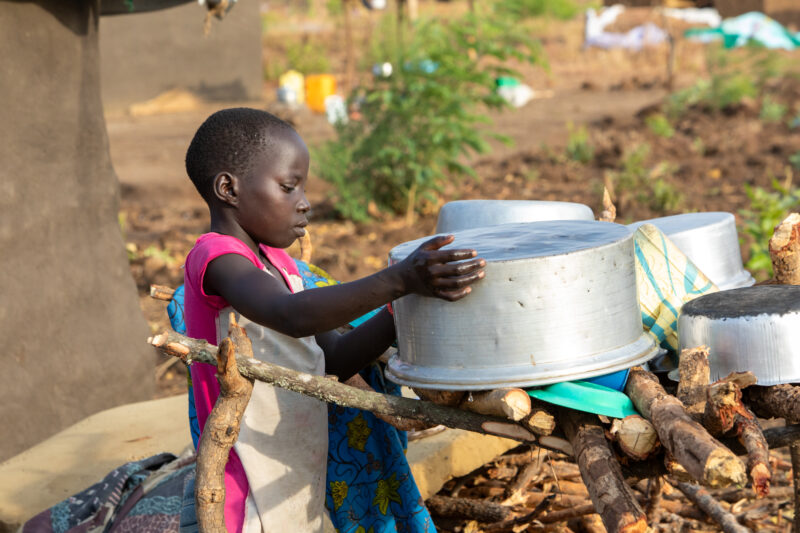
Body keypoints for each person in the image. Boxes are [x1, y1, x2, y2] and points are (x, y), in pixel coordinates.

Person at [182, 107, 486, 533]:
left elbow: (336, 359)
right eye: (289, 187)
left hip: (292, 464)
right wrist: (398, 279)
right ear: (228, 188)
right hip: (243, 481)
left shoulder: (280, 266)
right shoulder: (216, 259)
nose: (305, 202)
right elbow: (291, 316)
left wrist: (406, 305)